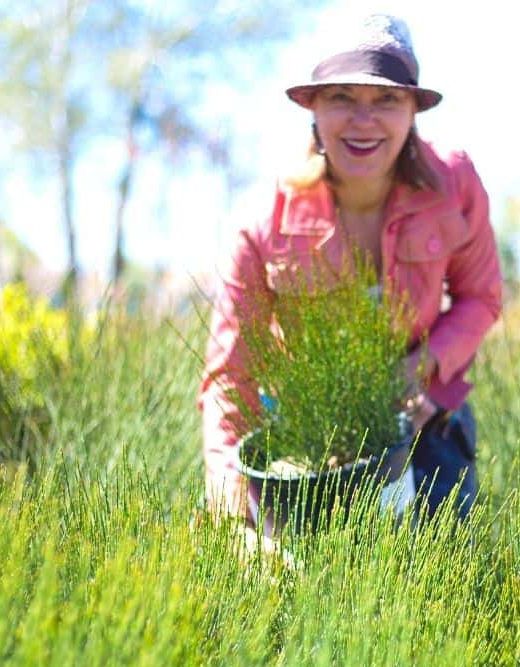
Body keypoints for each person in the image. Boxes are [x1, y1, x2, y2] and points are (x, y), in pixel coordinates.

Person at [198, 14, 502, 530]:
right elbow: (231, 378)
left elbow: (482, 299)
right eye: (341, 97)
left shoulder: (455, 184)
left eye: (386, 99)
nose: (364, 121)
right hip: (307, 441)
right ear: (312, 108)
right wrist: (235, 511)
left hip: (425, 424)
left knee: (441, 579)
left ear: (413, 110)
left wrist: (422, 368)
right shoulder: (261, 220)